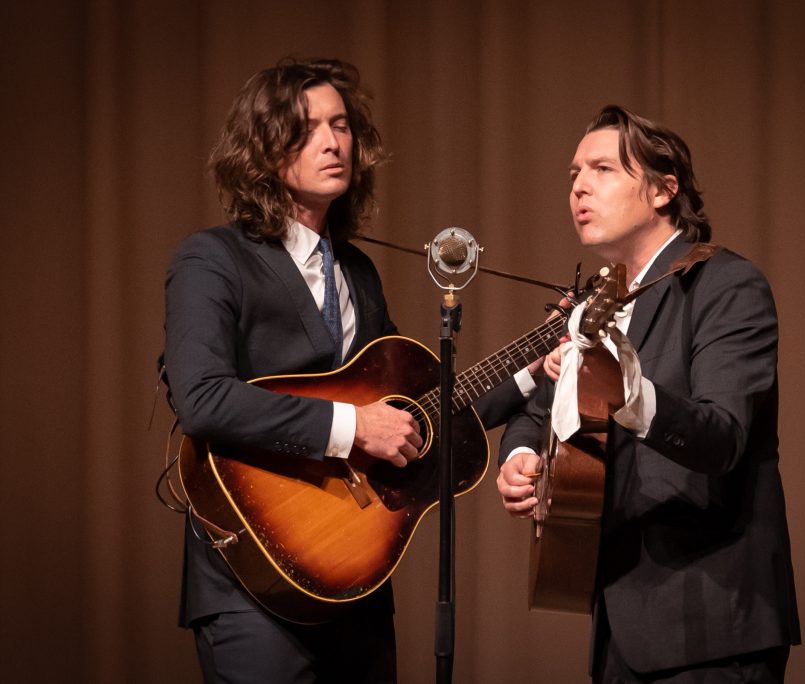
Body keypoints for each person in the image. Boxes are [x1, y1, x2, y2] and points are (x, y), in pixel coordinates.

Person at [163, 58, 530, 683]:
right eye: (307, 129)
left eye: (340, 125)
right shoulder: (213, 260)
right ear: (263, 148)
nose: (333, 142)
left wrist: (533, 371)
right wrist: (351, 426)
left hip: (356, 580)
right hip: (251, 586)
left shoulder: (357, 271)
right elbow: (201, 399)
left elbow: (419, 413)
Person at [496, 106, 801, 683]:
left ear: (663, 190)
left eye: (603, 169)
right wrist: (522, 454)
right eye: (574, 174)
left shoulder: (725, 285)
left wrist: (629, 394)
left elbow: (723, 437)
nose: (579, 187)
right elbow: (538, 408)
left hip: (710, 624)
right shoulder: (599, 304)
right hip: (618, 626)